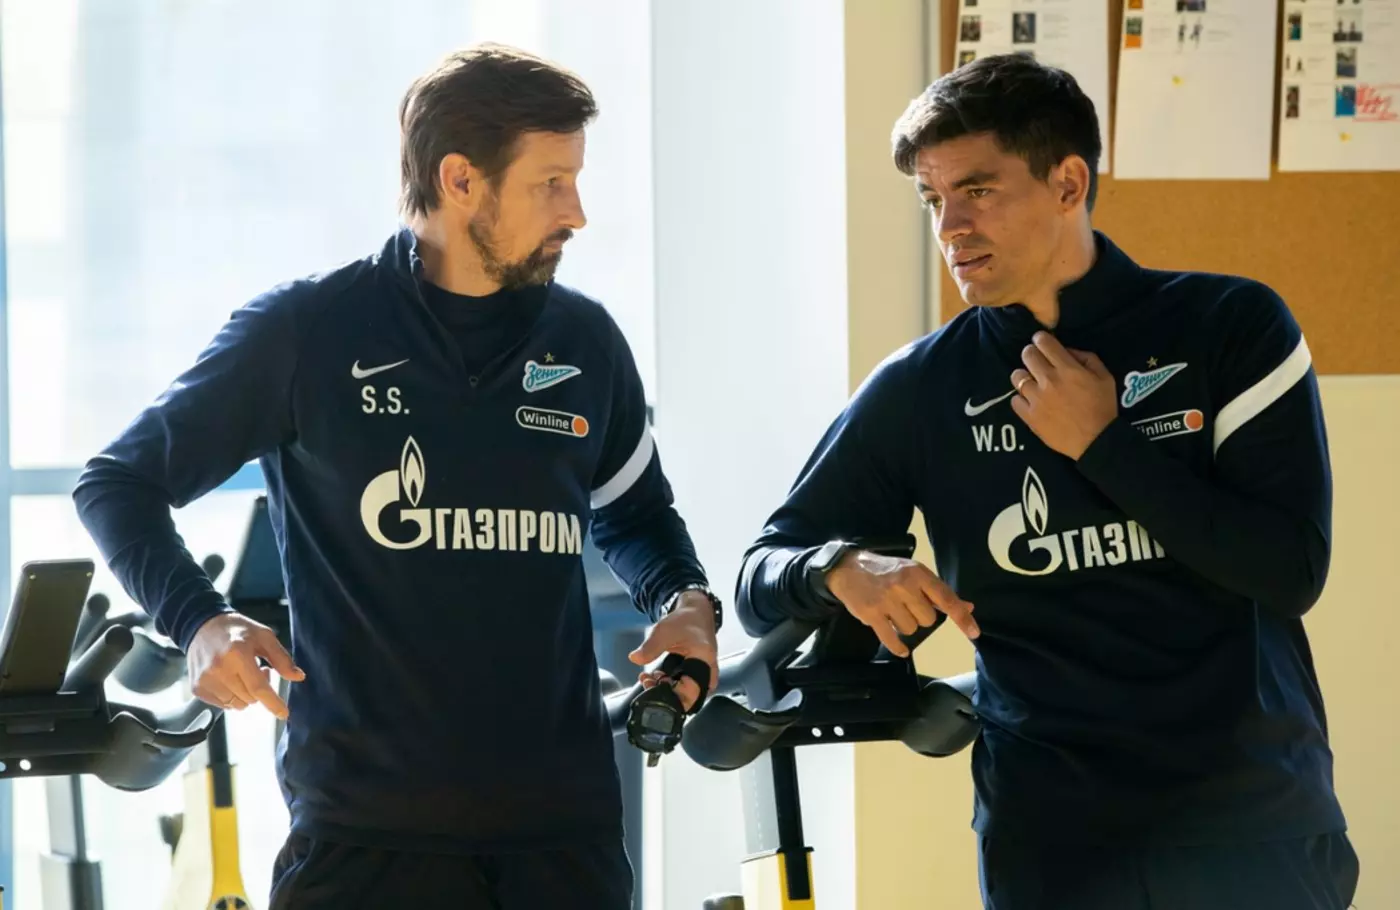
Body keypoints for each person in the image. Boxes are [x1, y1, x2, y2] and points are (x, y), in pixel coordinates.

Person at [73, 42, 722, 910]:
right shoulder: (308, 331)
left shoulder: (587, 343)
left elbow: (636, 514)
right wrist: (199, 620)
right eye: (550, 183)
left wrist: (685, 603)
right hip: (364, 842)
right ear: (461, 180)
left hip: (565, 838)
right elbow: (118, 482)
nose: (577, 211)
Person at [735, 55, 1358, 910]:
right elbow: (762, 572)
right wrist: (837, 567)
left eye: (978, 190)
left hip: (1248, 825)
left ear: (1068, 183)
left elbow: (1291, 570)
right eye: (932, 199)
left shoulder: (1231, 326)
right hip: (1050, 843)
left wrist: (1103, 444)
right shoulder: (922, 386)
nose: (952, 226)